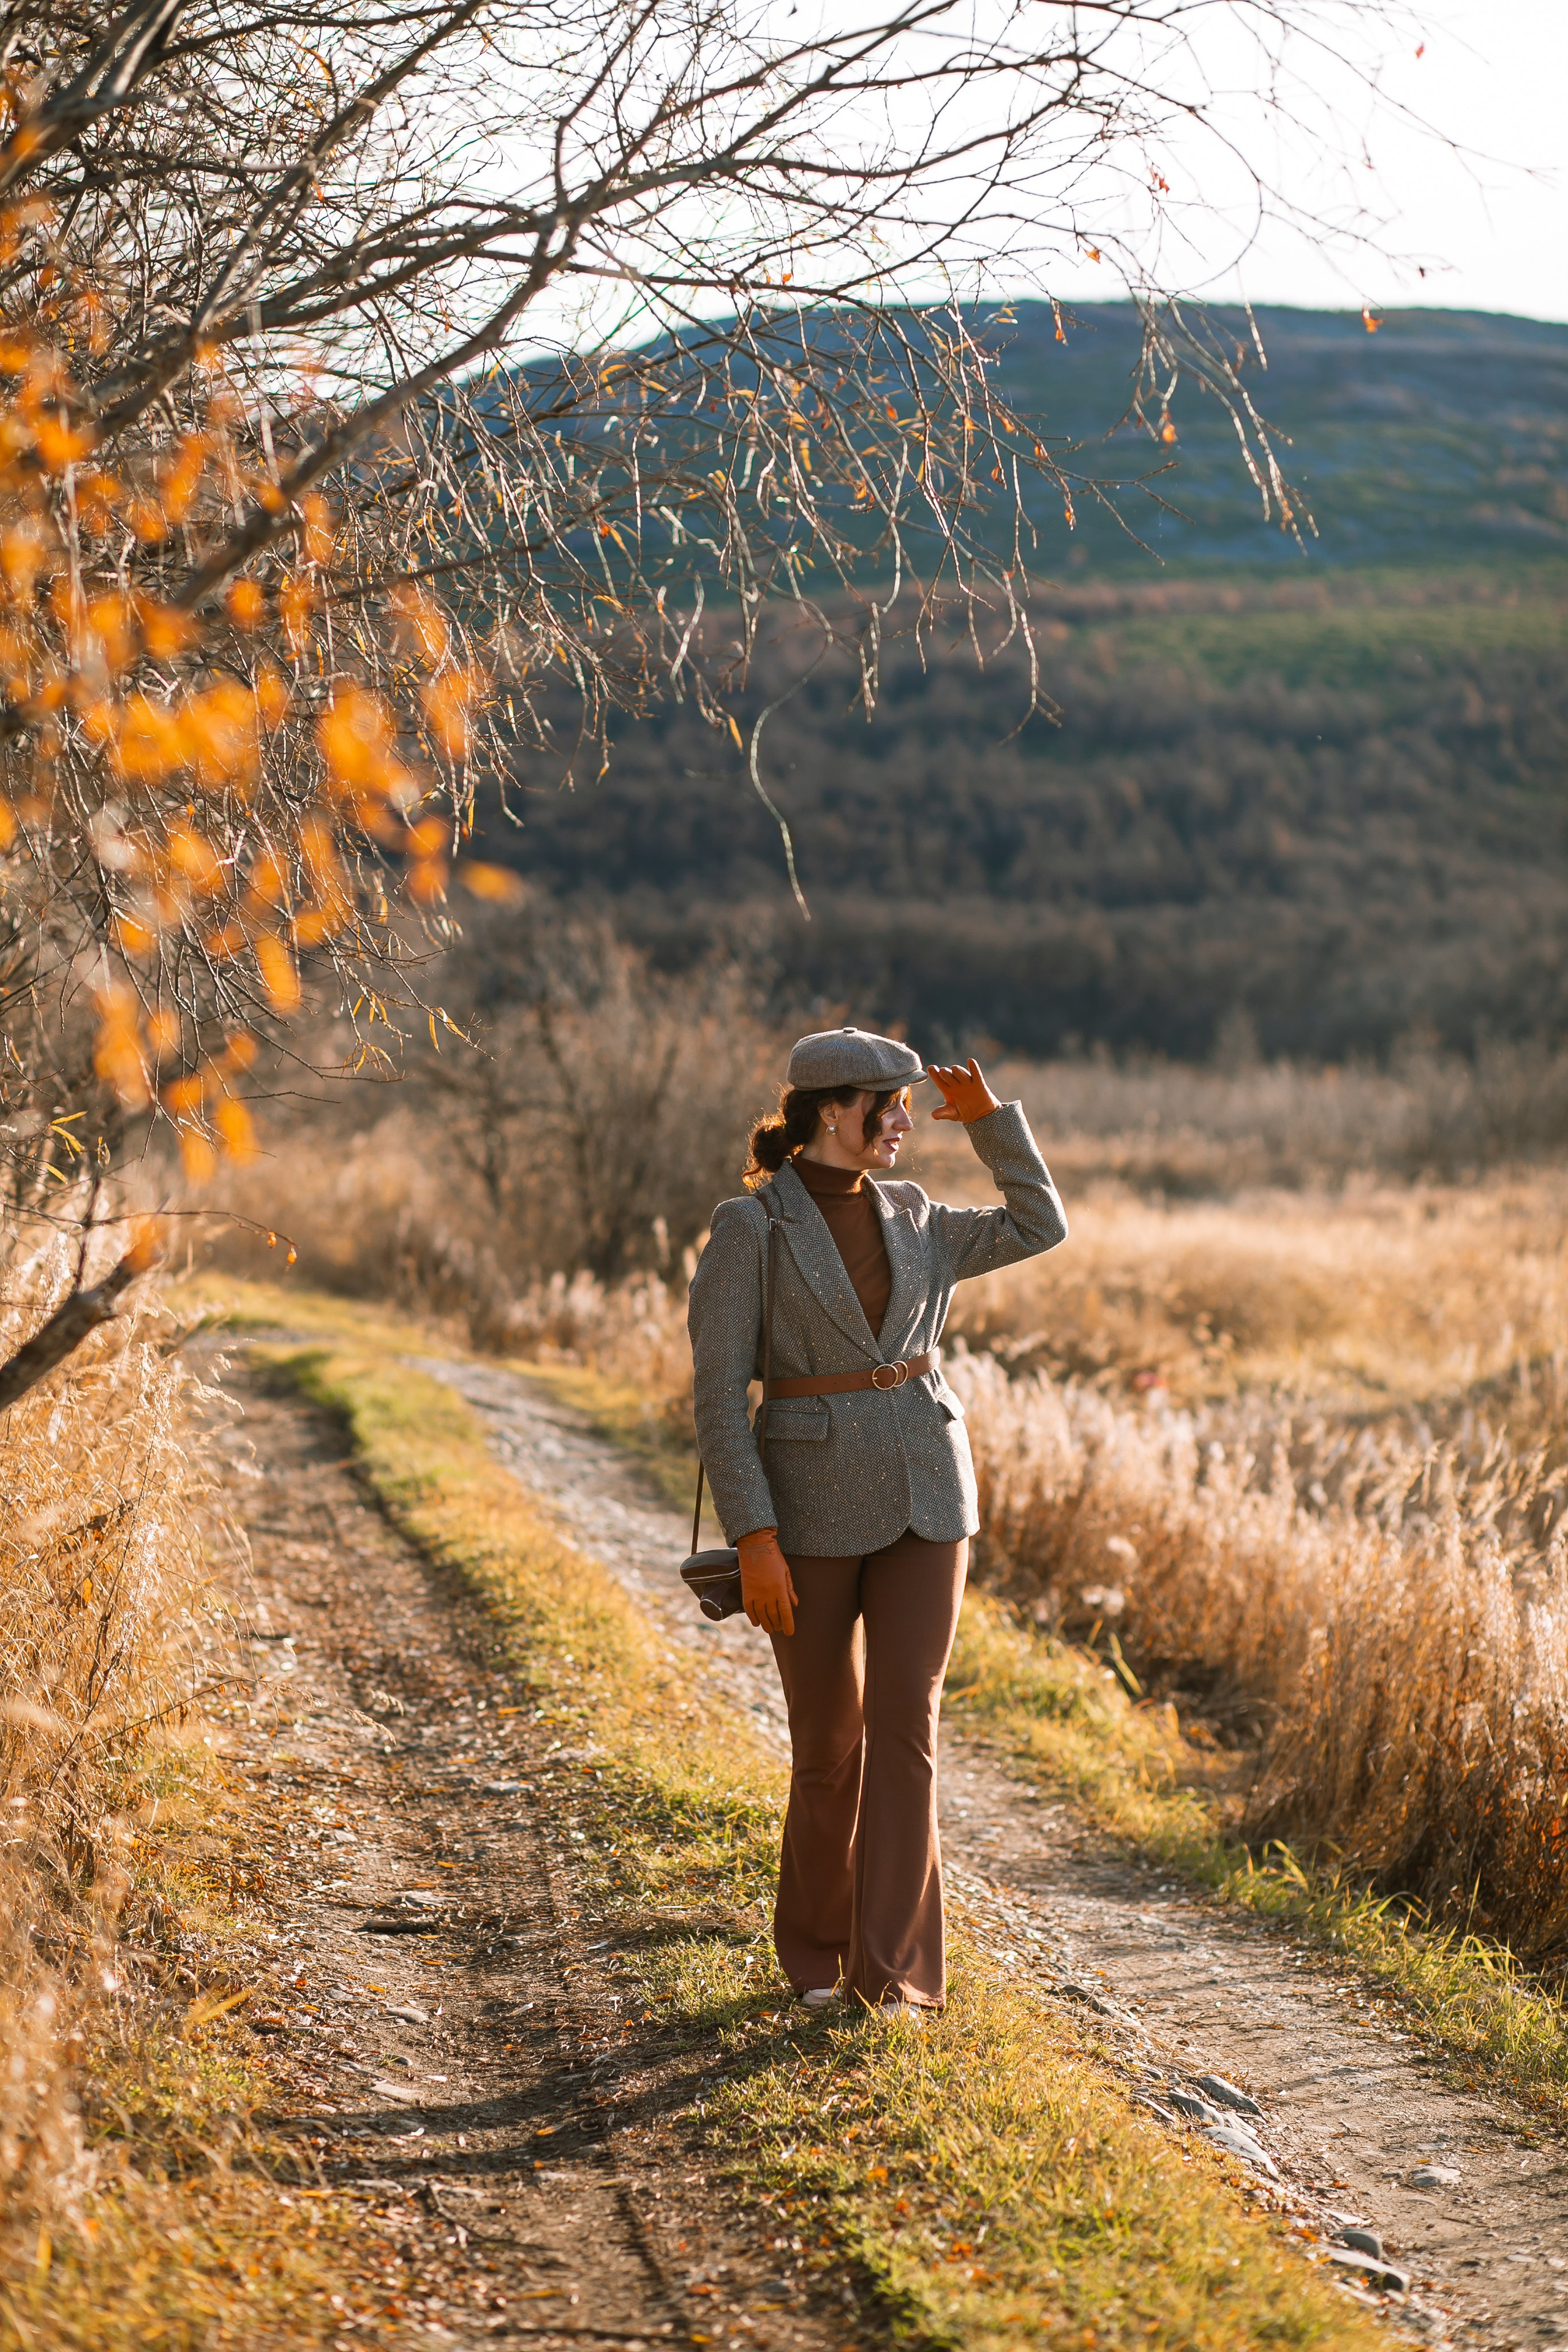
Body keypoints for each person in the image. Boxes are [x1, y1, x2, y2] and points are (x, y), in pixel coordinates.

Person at [687, 1025, 1068, 2015]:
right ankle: (816, 1958)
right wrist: (756, 1538)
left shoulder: (918, 1213)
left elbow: (1039, 1225)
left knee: (908, 1728)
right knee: (829, 1747)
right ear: (828, 1112)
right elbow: (722, 1397)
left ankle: (889, 1977)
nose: (903, 1121)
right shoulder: (751, 1229)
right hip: (804, 1517)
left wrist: (992, 1125)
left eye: (907, 1104)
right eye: (886, 1105)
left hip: (928, 1498)